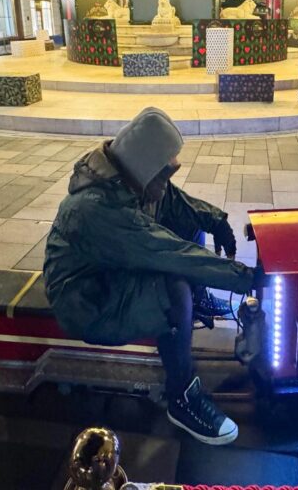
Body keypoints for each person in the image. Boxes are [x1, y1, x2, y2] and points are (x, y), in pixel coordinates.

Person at [44, 108, 254, 445]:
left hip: (112, 272)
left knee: (187, 227)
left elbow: (177, 205)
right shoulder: (96, 209)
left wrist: (216, 222)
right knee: (174, 287)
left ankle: (195, 304)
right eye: (164, 173)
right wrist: (246, 277)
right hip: (87, 300)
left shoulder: (129, 177)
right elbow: (169, 254)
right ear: (144, 166)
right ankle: (182, 398)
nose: (166, 181)